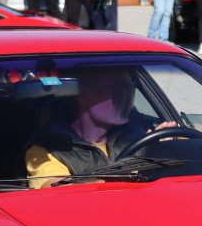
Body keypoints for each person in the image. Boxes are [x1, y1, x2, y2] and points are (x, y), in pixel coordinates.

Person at [25, 67, 165, 182]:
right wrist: (134, 171)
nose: (128, 98)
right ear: (83, 95)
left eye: (131, 87)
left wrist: (169, 149)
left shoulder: (143, 131)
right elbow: (58, 195)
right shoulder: (47, 150)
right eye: (118, 90)